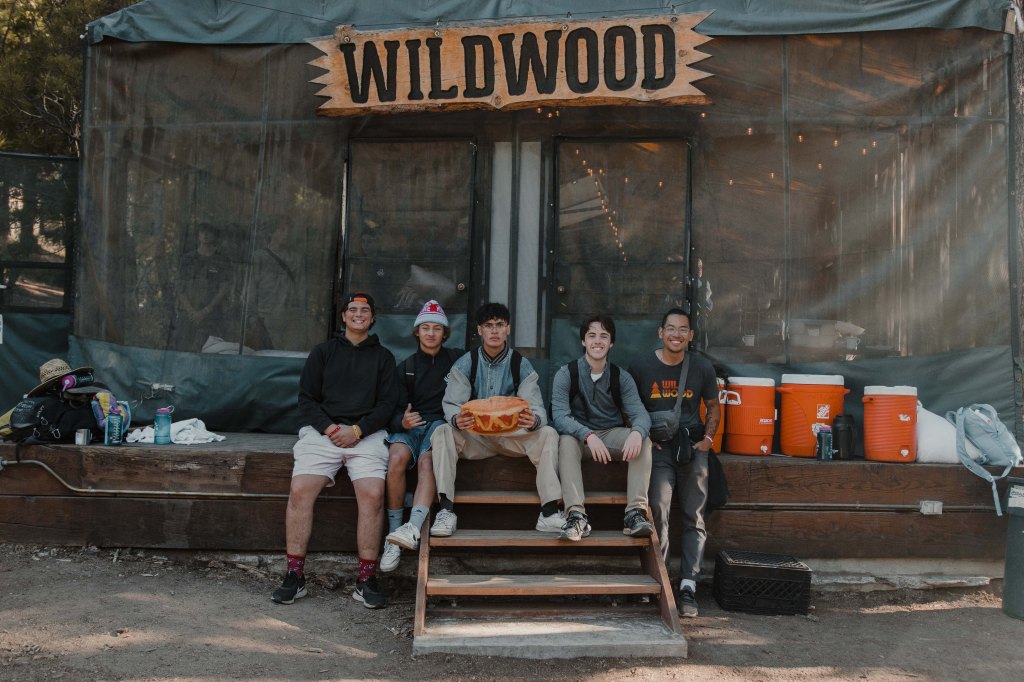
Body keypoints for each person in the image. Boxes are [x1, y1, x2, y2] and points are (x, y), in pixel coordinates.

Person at [271, 292, 398, 609]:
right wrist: (330, 429)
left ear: (372, 317)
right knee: (300, 490)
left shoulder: (384, 357)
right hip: (322, 433)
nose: (358, 314)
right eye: (352, 309)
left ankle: (366, 580)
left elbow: (387, 405)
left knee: (373, 494)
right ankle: (294, 575)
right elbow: (306, 400)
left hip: (366, 434)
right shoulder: (323, 352)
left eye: (364, 310)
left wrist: (357, 430)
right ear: (343, 316)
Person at [429, 302, 564, 536]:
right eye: (488, 325)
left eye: (500, 325)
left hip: (512, 438)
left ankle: (549, 513)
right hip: (476, 438)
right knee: (442, 431)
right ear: (479, 330)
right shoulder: (466, 363)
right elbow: (451, 404)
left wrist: (534, 420)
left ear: (508, 329)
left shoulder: (520, 363)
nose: (494, 330)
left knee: (548, 433)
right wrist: (456, 419)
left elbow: (538, 409)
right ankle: (446, 511)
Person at [628, 308, 720, 618]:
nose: (676, 334)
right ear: (660, 332)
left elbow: (713, 406)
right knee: (658, 511)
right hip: (657, 448)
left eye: (683, 329)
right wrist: (643, 437)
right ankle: (661, 580)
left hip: (692, 447)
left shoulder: (702, 367)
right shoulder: (641, 366)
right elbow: (628, 406)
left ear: (691, 335)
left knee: (695, 516)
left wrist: (708, 439)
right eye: (670, 328)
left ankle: (689, 586)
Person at [551, 315, 655, 541]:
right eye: (592, 336)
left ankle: (635, 514)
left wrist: (637, 432)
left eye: (603, 336)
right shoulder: (567, 373)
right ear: (583, 341)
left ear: (611, 343)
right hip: (581, 438)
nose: (597, 341)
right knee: (565, 441)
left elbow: (640, 415)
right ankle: (576, 516)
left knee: (644, 439)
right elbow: (559, 416)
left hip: (611, 435)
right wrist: (587, 434)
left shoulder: (621, 377)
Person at [380, 300, 463, 572]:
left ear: (445, 333)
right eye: (425, 328)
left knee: (427, 462)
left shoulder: (457, 360)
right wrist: (401, 421)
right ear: (417, 332)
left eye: (437, 329)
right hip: (411, 427)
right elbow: (391, 410)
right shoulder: (406, 366)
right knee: (396, 458)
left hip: (439, 425)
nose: (430, 333)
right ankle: (393, 535)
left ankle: (413, 528)